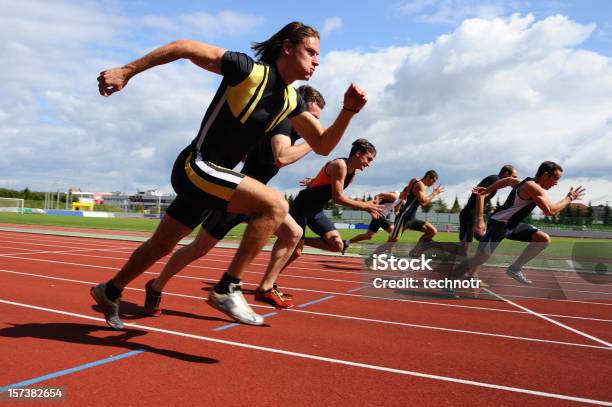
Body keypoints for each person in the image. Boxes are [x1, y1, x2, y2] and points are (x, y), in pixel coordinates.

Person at [91, 21, 367, 329]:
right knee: (275, 205)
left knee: (161, 246)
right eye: (311, 52)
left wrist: (348, 112)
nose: (317, 61)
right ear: (288, 47)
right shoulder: (247, 70)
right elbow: (185, 46)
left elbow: (323, 144)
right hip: (195, 165)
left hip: (215, 178)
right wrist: (127, 70)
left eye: (318, 55)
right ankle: (227, 287)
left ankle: (110, 290)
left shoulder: (291, 100)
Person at [143, 86, 325, 315]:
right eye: (313, 118)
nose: (315, 125)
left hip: (259, 199)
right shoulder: (285, 122)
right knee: (198, 249)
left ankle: (266, 287)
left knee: (294, 235)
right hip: (238, 195)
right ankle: (156, 285)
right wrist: (315, 142)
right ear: (301, 109)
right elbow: (282, 157)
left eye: (318, 120)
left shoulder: (288, 130)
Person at [453, 161, 585, 287]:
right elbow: (550, 211)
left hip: (512, 225)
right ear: (545, 175)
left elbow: (507, 181)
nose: (556, 183)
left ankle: (515, 268)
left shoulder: (523, 182)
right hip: (499, 224)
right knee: (480, 258)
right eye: (555, 178)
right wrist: (570, 198)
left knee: (543, 239)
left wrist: (487, 190)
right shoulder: (532, 187)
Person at [274, 139, 383, 279]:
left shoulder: (352, 173)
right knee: (296, 253)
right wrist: (365, 206)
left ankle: (299, 239)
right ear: (357, 154)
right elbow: (337, 198)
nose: (369, 164)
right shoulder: (340, 165)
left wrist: (315, 181)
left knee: (337, 245)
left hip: (316, 211)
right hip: (302, 207)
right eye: (368, 159)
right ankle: (270, 281)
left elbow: (331, 188)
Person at [459, 165, 518, 257]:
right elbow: (480, 195)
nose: (515, 180)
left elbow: (479, 196)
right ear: (506, 174)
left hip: (469, 212)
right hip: (471, 214)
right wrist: (480, 220)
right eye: (514, 177)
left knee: (469, 244)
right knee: (468, 245)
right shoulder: (495, 179)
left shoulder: (494, 180)